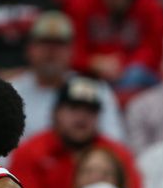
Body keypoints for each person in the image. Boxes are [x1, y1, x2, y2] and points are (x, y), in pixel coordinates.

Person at [9, 76, 144, 188]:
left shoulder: (118, 154)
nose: (82, 117)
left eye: (90, 110)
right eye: (74, 108)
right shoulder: (30, 153)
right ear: (55, 113)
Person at [9, 11, 125, 143]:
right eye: (44, 42)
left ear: (72, 50)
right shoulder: (10, 93)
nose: (51, 51)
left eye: (59, 44)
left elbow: (113, 144)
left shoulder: (95, 89)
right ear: (29, 48)